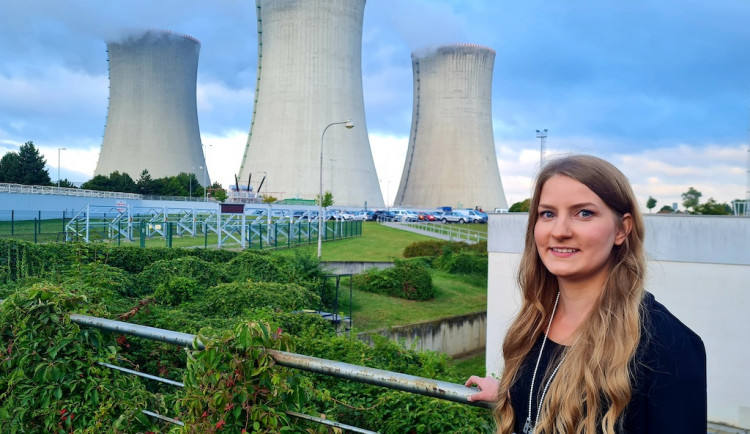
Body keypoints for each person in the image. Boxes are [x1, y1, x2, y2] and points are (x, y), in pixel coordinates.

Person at [465, 155, 706, 433]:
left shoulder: (668, 346)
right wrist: (514, 395)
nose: (560, 231)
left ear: (622, 229)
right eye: (548, 214)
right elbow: (548, 392)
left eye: (584, 213)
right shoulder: (535, 320)